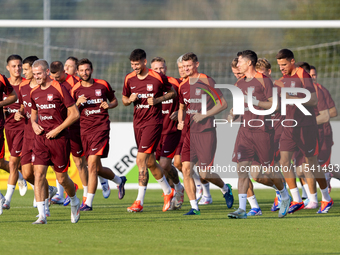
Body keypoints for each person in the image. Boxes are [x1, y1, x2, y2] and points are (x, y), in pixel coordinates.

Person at [228, 50, 290, 219]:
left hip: (263, 132)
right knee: (242, 170)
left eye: (240, 61)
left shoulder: (264, 81)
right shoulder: (239, 84)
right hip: (245, 132)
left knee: (269, 172)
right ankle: (242, 209)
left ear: (249, 63)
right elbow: (240, 107)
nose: (237, 64)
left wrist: (255, 102)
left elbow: (275, 106)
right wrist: (233, 113)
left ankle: (284, 195)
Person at [276, 49, 333, 214]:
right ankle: (296, 199)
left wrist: (292, 97)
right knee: (284, 162)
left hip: (306, 127)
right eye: (279, 65)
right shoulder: (281, 80)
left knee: (312, 165)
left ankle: (326, 199)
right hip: (289, 127)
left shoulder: (303, 75)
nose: (282, 68)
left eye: (284, 64)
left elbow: (313, 100)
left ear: (292, 61)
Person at [177, 52, 233, 215]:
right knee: (185, 169)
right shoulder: (183, 85)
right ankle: (194, 207)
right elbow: (182, 107)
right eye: (184, 66)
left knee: (204, 172)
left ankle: (224, 188)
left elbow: (222, 103)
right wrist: (180, 121)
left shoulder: (206, 81)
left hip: (205, 132)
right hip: (189, 133)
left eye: (189, 66)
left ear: (196, 65)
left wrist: (205, 114)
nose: (186, 69)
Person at [122, 49, 176, 212]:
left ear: (144, 62)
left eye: (137, 64)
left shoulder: (157, 77)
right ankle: (168, 191)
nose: (134, 67)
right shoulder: (129, 78)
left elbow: (172, 93)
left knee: (140, 160)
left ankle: (139, 201)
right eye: (132, 64)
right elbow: (124, 99)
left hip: (153, 122)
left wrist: (159, 99)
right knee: (151, 162)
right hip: (137, 122)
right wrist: (129, 100)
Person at [71, 58, 126, 211]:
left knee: (92, 165)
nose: (84, 73)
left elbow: (115, 101)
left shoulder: (102, 84)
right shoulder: (75, 90)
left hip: (101, 129)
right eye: (81, 70)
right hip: (84, 131)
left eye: (87, 70)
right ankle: (119, 180)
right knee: (96, 167)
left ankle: (88, 203)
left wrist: (108, 105)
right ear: (77, 72)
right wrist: (77, 104)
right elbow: (69, 111)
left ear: (92, 70)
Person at [30, 59, 80, 224]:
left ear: (46, 72)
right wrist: (34, 124)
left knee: (62, 179)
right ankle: (42, 215)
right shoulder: (34, 92)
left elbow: (74, 114)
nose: (36, 77)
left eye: (39, 74)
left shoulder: (60, 88)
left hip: (59, 139)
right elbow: (33, 113)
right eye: (34, 74)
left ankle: (74, 200)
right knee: (38, 175)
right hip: (41, 140)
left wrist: (57, 130)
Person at [15, 56, 57, 213]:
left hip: (42, 136)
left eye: (26, 69)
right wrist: (19, 114)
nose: (23, 72)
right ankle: (49, 190)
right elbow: (22, 106)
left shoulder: (48, 88)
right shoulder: (23, 87)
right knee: (26, 174)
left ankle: (44, 206)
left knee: (40, 173)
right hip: (27, 135)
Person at [150, 57, 185, 210]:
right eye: (156, 69)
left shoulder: (176, 83)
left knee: (166, 164)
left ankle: (179, 188)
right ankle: (174, 196)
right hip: (155, 131)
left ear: (166, 68)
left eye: (162, 68)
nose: (159, 71)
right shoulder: (149, 85)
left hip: (172, 131)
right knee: (163, 167)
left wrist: (179, 112)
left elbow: (188, 102)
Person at [2, 55, 28, 210]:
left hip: (23, 129)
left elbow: (31, 103)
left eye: (19, 66)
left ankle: (7, 200)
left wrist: (22, 111)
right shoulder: (4, 84)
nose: (17, 69)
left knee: (13, 162)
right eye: (13, 66)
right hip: (7, 128)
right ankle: (21, 177)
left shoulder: (26, 84)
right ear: (8, 68)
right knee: (17, 166)